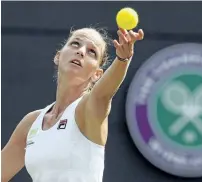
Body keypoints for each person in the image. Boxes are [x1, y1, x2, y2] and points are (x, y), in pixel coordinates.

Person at [1, 26, 144, 182]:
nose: (81, 51)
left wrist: (122, 59)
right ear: (58, 56)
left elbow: (104, 93)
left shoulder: (88, 109)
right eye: (75, 44)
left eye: (92, 52)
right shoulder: (31, 122)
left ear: (97, 74)